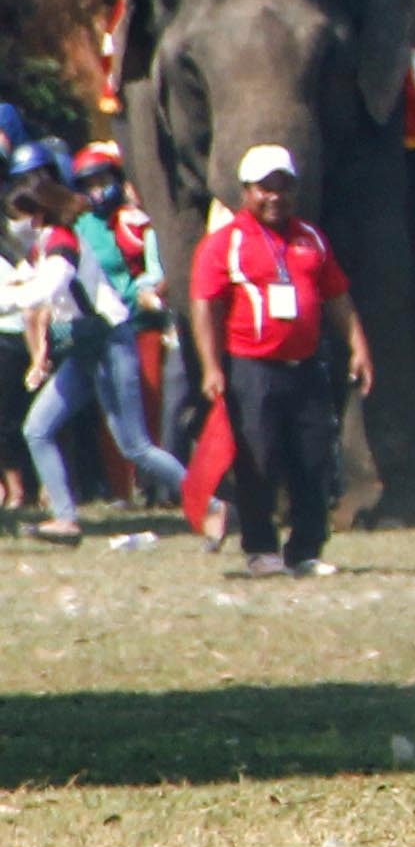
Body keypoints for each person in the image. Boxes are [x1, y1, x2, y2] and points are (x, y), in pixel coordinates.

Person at [188, 144, 366, 577]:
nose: (276, 197)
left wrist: (359, 346)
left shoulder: (312, 238)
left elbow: (337, 296)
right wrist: (212, 366)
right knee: (259, 461)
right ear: (247, 191)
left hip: (305, 366)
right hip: (252, 369)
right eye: (266, 188)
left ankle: (305, 550)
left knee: (312, 458)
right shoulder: (224, 244)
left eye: (284, 187)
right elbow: (204, 306)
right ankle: (261, 549)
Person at [15, 146, 184, 540]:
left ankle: (207, 503)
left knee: (136, 445)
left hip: (110, 342)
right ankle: (66, 520)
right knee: (37, 429)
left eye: (20, 217)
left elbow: (41, 291)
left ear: (38, 214)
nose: (16, 225)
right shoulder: (45, 245)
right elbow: (24, 286)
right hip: (85, 347)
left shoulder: (61, 243)